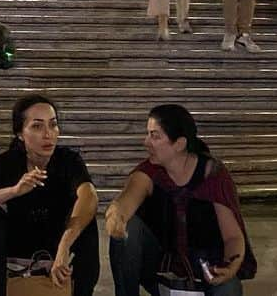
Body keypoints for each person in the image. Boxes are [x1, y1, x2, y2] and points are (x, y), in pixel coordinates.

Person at [105, 102, 254, 294]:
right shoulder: (150, 172)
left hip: (205, 268)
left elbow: (232, 236)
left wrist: (229, 267)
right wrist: (117, 216)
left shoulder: (212, 174)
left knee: (229, 289)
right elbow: (126, 200)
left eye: (155, 136)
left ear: (179, 144)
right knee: (128, 228)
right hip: (162, 269)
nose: (146, 142)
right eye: (147, 134)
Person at [0, 93, 99, 296]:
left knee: (86, 219)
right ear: (20, 133)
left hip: (59, 243)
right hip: (20, 246)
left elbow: (89, 196)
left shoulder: (68, 160)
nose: (48, 134)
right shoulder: (8, 162)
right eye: (37, 126)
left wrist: (64, 245)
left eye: (52, 125)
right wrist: (14, 191)